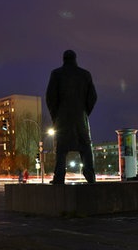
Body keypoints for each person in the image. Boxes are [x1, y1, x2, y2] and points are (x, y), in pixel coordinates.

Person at [46, 50, 97, 184]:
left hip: (62, 117)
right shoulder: (85, 74)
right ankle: (90, 175)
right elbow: (93, 97)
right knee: (85, 146)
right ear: (75, 59)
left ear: (63, 59)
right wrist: (85, 112)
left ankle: (59, 177)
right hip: (80, 117)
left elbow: (50, 97)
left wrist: (55, 116)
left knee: (61, 148)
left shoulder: (56, 74)